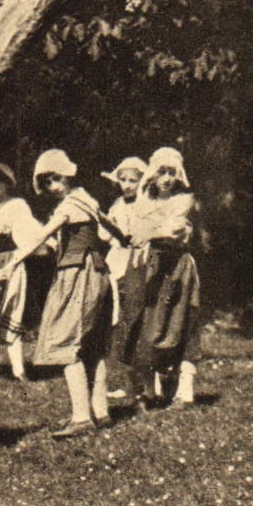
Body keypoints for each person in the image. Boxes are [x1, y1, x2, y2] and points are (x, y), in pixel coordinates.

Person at [0, 149, 116, 438]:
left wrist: (11, 263)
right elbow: (112, 230)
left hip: (77, 274)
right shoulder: (88, 200)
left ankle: (81, 417)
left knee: (64, 338)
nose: (52, 186)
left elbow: (39, 236)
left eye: (55, 178)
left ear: (68, 175)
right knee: (93, 345)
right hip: (99, 273)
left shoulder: (69, 205)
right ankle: (101, 412)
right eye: (47, 182)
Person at [124, 147, 204, 411]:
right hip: (149, 268)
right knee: (146, 326)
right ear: (153, 175)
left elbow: (174, 229)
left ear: (179, 175)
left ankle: (185, 393)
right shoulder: (144, 201)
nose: (167, 178)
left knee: (181, 325)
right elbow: (134, 228)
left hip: (177, 268)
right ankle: (149, 391)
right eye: (162, 172)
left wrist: (148, 233)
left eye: (172, 173)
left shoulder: (183, 200)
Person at [0, 163, 43, 382]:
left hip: (12, 261)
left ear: (7, 182)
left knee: (13, 310)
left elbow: (30, 236)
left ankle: (18, 369)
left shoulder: (18, 205)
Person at [99, 157, 148, 398]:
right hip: (118, 259)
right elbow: (103, 231)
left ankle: (141, 383)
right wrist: (115, 236)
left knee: (136, 318)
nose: (127, 185)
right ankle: (122, 380)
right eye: (123, 180)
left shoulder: (147, 203)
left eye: (133, 180)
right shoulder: (118, 204)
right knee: (116, 319)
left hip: (140, 260)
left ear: (143, 181)